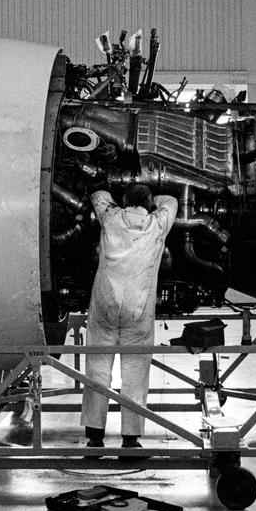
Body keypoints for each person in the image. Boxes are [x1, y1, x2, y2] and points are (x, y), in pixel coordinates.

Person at [82, 184, 178, 452]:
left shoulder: (111, 217)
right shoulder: (157, 224)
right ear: (148, 204)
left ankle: (94, 437)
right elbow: (170, 200)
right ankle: (130, 439)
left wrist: (117, 193)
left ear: (125, 201)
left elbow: (97, 195)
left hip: (105, 304)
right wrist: (153, 195)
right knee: (135, 371)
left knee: (98, 368)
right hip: (138, 307)